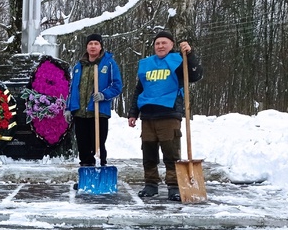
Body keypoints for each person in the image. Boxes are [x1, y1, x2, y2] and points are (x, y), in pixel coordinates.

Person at [128, 30, 203, 201]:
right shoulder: (147, 64)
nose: (160, 46)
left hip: (169, 114)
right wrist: (133, 113)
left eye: (164, 43)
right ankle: (151, 184)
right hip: (148, 115)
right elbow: (139, 90)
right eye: (157, 43)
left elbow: (195, 75)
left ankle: (174, 186)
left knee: (171, 152)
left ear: (171, 45)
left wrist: (190, 54)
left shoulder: (178, 62)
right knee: (148, 152)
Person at [66, 33, 122, 167]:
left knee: (97, 145)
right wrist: (68, 108)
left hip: (98, 112)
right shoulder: (79, 66)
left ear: (101, 46)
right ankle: (86, 176)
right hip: (80, 112)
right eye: (90, 44)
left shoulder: (108, 63)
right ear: (86, 47)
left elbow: (117, 85)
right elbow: (73, 88)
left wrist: (104, 95)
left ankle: (100, 171)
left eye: (96, 44)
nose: (93, 46)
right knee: (83, 147)